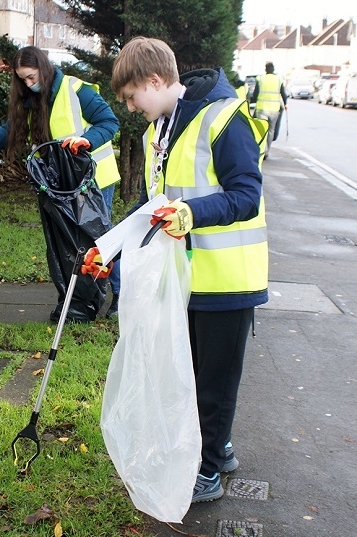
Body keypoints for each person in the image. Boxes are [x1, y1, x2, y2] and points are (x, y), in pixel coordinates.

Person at [85, 37, 269, 503]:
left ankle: (207, 468)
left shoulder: (224, 118)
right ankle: (217, 450)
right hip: (185, 279)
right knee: (189, 374)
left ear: (155, 80)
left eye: (131, 97)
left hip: (229, 277)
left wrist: (191, 214)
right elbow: (153, 206)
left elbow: (247, 194)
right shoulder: (158, 131)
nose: (129, 108)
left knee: (215, 380)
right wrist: (109, 248)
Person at [0, 46, 121, 319]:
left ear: (43, 67)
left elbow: (109, 122)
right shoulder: (33, 100)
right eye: (23, 80)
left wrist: (87, 141)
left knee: (103, 240)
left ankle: (120, 295)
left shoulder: (76, 90)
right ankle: (80, 300)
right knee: (76, 244)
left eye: (31, 76)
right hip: (64, 185)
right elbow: (12, 130)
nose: (28, 84)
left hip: (95, 180)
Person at [252, 62, 288, 158]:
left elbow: (255, 94)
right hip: (274, 109)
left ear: (265, 69)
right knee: (271, 130)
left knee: (262, 130)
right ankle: (267, 151)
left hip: (262, 108)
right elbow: (283, 94)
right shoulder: (279, 79)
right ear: (273, 69)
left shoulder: (260, 79)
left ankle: (261, 149)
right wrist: (285, 104)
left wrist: (251, 101)